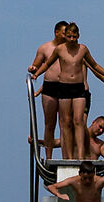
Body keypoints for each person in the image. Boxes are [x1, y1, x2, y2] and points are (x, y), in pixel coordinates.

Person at [39, 23, 104, 162]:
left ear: (78, 36)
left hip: (81, 91)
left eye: (74, 37)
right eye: (69, 36)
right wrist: (37, 82)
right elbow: (49, 69)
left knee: (79, 122)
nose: (71, 39)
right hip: (65, 89)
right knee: (65, 123)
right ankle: (68, 158)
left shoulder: (81, 51)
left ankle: (80, 157)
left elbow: (95, 68)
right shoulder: (61, 51)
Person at [28, 23, 72, 158]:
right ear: (56, 32)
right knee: (49, 123)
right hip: (49, 86)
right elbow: (36, 65)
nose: (66, 36)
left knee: (65, 123)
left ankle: (66, 156)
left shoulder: (70, 49)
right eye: (64, 33)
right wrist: (33, 69)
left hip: (65, 86)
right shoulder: (45, 48)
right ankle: (48, 156)